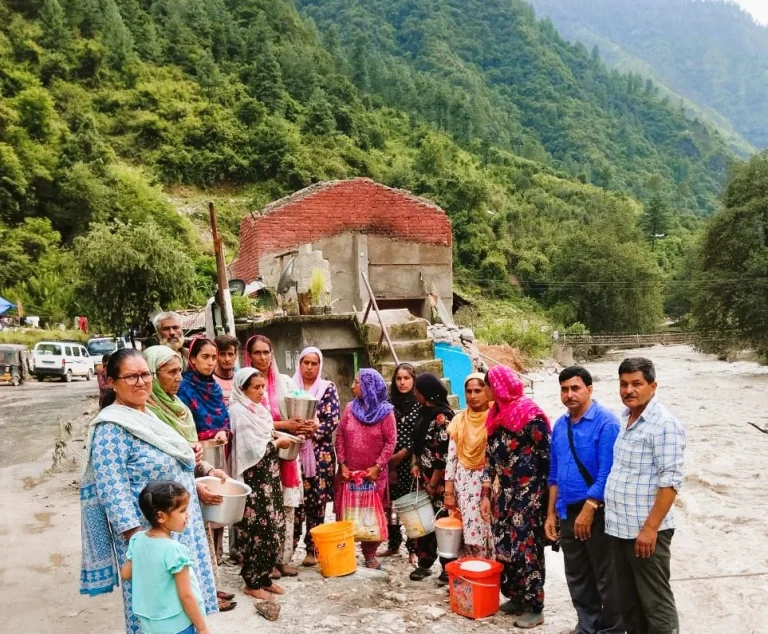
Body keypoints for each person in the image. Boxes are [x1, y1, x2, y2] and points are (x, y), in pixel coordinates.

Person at [79, 349, 217, 634]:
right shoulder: (111, 429)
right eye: (131, 376)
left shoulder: (149, 416)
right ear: (112, 382)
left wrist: (189, 461)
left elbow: (165, 460)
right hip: (148, 537)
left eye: (144, 374)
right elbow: (112, 489)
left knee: (186, 600)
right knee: (159, 612)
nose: (140, 381)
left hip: (177, 529)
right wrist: (139, 543)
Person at [144, 345, 236, 612]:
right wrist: (195, 482)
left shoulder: (178, 407)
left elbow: (187, 454)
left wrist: (208, 470)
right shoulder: (148, 415)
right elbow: (163, 463)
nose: (178, 378)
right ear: (153, 375)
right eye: (171, 372)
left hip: (188, 493)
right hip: (166, 503)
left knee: (198, 548)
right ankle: (192, 602)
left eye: (179, 371)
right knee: (178, 556)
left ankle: (206, 592)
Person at [605, 358, 685, 634]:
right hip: (620, 528)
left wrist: (650, 529)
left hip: (646, 531)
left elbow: (671, 482)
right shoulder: (625, 418)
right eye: (623, 384)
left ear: (653, 386)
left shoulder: (664, 424)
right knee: (629, 602)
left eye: (636, 384)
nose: (629, 390)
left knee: (655, 603)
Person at [545, 366, 623, 634]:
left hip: (596, 510)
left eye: (575, 388)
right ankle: (587, 626)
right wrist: (551, 514)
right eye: (564, 389)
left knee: (606, 575)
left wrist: (589, 509)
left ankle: (611, 630)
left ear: (589, 389)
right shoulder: (560, 424)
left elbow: (607, 472)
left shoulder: (606, 423)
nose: (569, 394)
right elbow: (554, 473)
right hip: (567, 510)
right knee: (577, 574)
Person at [480, 365, 550, 630]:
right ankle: (517, 597)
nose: (485, 390)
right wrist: (486, 495)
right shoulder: (495, 415)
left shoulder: (530, 415)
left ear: (498, 387)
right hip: (505, 493)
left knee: (526, 548)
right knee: (505, 546)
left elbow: (547, 458)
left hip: (529, 493)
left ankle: (536, 606)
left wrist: (545, 500)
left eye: (487, 385)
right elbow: (489, 461)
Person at [245, 334, 312, 577]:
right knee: (266, 508)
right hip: (261, 453)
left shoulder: (284, 382)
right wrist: (285, 426)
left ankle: (284, 558)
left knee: (287, 506)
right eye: (257, 352)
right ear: (249, 356)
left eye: (267, 352)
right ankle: (267, 561)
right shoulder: (246, 383)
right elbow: (250, 419)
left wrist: (306, 424)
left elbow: (299, 409)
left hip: (287, 452)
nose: (263, 357)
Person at [229, 367, 295, 600]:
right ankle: (252, 581)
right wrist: (277, 444)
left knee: (274, 527)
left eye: (262, 387)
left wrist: (275, 443)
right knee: (257, 529)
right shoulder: (238, 411)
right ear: (242, 388)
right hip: (253, 481)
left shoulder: (259, 410)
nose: (260, 392)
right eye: (255, 387)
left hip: (269, 477)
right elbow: (250, 450)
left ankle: (265, 576)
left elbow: (264, 437)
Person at [120, 481, 212, 634]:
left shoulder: (137, 539)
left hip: (150, 625)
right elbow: (186, 596)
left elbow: (125, 574)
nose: (187, 515)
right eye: (182, 510)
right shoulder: (174, 550)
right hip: (178, 625)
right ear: (161, 517)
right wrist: (202, 628)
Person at [334, 368, 397, 570]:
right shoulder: (350, 408)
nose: (352, 386)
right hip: (349, 474)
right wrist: (342, 464)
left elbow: (391, 442)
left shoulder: (386, 413)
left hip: (373, 476)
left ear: (369, 386)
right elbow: (340, 435)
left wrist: (378, 466)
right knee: (345, 513)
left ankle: (370, 555)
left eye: (357, 382)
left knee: (371, 515)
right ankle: (343, 554)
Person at [291, 347, 341, 567]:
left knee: (317, 502)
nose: (310, 368)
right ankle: (289, 549)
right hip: (295, 452)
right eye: (306, 363)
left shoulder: (327, 388)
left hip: (320, 455)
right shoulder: (290, 387)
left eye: (314, 363)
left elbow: (332, 419)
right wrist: (296, 429)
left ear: (320, 366)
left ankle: (312, 549)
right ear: (299, 364)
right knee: (295, 501)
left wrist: (313, 431)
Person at [410, 372, 454, 584]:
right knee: (424, 520)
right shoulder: (423, 412)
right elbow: (418, 444)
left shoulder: (442, 417)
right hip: (424, 477)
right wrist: (416, 465)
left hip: (440, 481)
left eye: (417, 390)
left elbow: (443, 454)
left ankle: (448, 566)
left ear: (425, 393)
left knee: (443, 522)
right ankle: (425, 561)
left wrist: (434, 482)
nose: (415, 394)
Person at [444, 373, 494, 558]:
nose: (473, 396)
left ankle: (489, 572)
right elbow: (451, 458)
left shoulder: (495, 419)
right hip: (463, 486)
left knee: (489, 532)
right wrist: (449, 492)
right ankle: (468, 572)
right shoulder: (459, 421)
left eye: (478, 391)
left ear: (488, 391)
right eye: (469, 391)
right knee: (465, 533)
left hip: (488, 484)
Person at [380, 363, 422, 559]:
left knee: (411, 506)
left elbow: (420, 433)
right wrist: (390, 459)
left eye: (406, 378)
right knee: (392, 505)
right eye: (398, 378)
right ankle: (394, 543)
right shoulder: (389, 403)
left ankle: (413, 548)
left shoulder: (419, 403)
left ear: (414, 380)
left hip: (411, 462)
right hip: (389, 461)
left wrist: (403, 454)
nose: (402, 382)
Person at [177, 338, 230, 444]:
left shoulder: (215, 388)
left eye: (214, 358)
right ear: (193, 359)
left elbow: (225, 420)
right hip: (194, 447)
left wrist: (223, 432)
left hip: (221, 446)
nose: (210, 363)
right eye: (205, 357)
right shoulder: (182, 387)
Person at [213, 335, 239, 406]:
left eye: (230, 354)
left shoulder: (240, 380)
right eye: (222, 354)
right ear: (216, 355)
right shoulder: (209, 381)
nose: (227, 359)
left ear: (236, 355)